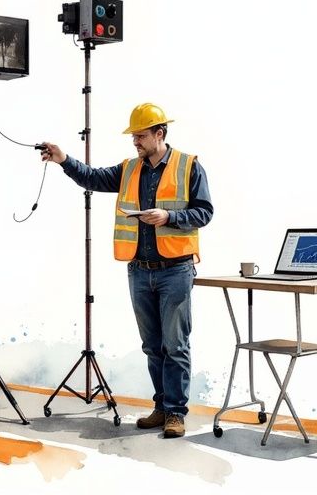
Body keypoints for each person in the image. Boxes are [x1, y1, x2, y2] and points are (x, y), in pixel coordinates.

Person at [41, 102, 213, 438]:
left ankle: (176, 413)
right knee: (152, 346)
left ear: (159, 134)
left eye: (141, 136)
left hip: (175, 269)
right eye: (134, 136)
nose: (135, 142)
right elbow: (92, 177)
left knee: (175, 345)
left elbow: (205, 212)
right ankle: (161, 408)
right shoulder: (130, 169)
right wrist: (64, 159)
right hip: (139, 270)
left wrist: (170, 217)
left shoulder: (189, 166)